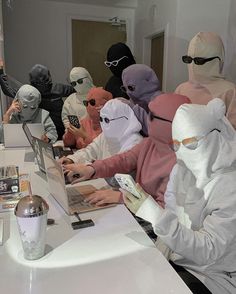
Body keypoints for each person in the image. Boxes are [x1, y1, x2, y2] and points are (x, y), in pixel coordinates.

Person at [123, 98, 236, 294]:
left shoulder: (229, 185)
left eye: (191, 143)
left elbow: (209, 251)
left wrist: (154, 215)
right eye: (176, 145)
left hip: (215, 274)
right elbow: (173, 212)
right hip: (180, 260)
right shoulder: (182, 169)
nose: (182, 152)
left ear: (214, 136)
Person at [63, 93, 190, 209]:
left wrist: (122, 197)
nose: (146, 119)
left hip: (153, 223)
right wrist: (91, 169)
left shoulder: (182, 162)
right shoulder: (151, 143)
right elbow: (124, 159)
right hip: (137, 209)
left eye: (151, 116)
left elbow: (163, 210)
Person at [175, 31, 236, 129]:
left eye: (199, 61)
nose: (192, 65)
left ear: (217, 60)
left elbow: (232, 132)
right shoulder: (181, 89)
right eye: (188, 59)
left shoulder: (229, 91)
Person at [0, 63, 75, 139]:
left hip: (41, 133)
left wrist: (1, 72)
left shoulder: (29, 93)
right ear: (49, 77)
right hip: (53, 132)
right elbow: (77, 89)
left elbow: (7, 90)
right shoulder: (59, 88)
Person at [121, 63, 162, 136]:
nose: (128, 92)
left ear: (146, 82)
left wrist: (134, 108)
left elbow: (153, 129)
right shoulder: (134, 99)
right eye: (124, 88)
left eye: (131, 88)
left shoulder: (160, 100)